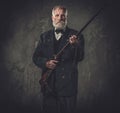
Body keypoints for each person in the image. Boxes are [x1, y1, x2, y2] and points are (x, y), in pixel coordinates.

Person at [32, 5, 84, 113]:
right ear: (52, 18)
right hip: (49, 87)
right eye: (57, 15)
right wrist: (46, 63)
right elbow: (36, 57)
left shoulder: (77, 36)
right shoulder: (44, 36)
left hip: (68, 88)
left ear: (66, 18)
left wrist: (75, 45)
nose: (60, 18)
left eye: (63, 16)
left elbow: (80, 57)